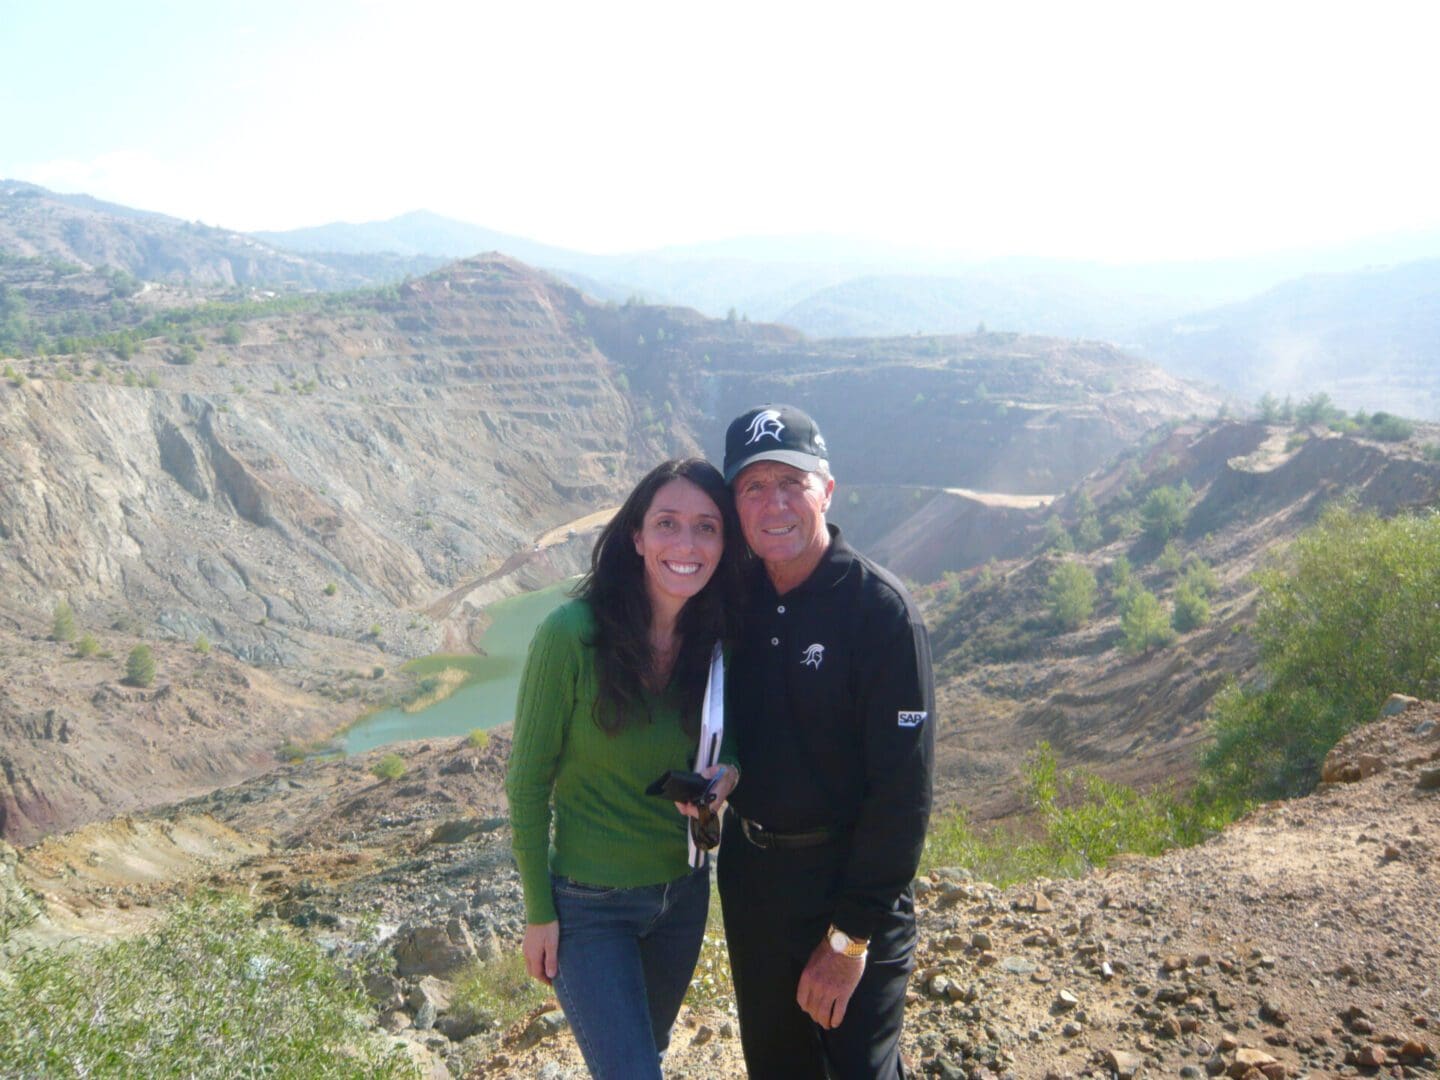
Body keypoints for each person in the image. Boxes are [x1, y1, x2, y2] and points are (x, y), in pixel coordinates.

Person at [505, 458, 744, 1080]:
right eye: (667, 523)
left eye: (707, 528)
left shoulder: (715, 642)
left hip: (683, 898)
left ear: (725, 544)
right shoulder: (570, 635)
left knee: (645, 1053)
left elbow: (734, 742)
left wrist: (727, 777)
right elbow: (527, 782)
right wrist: (538, 912)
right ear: (636, 536)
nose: (686, 545)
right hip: (590, 907)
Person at [717, 404, 935, 1079]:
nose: (773, 502)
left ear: (827, 491)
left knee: (859, 1072)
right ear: (734, 503)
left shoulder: (879, 612)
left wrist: (848, 939)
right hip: (753, 883)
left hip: (849, 884)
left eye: (793, 482)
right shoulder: (732, 598)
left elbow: (903, 793)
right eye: (754, 486)